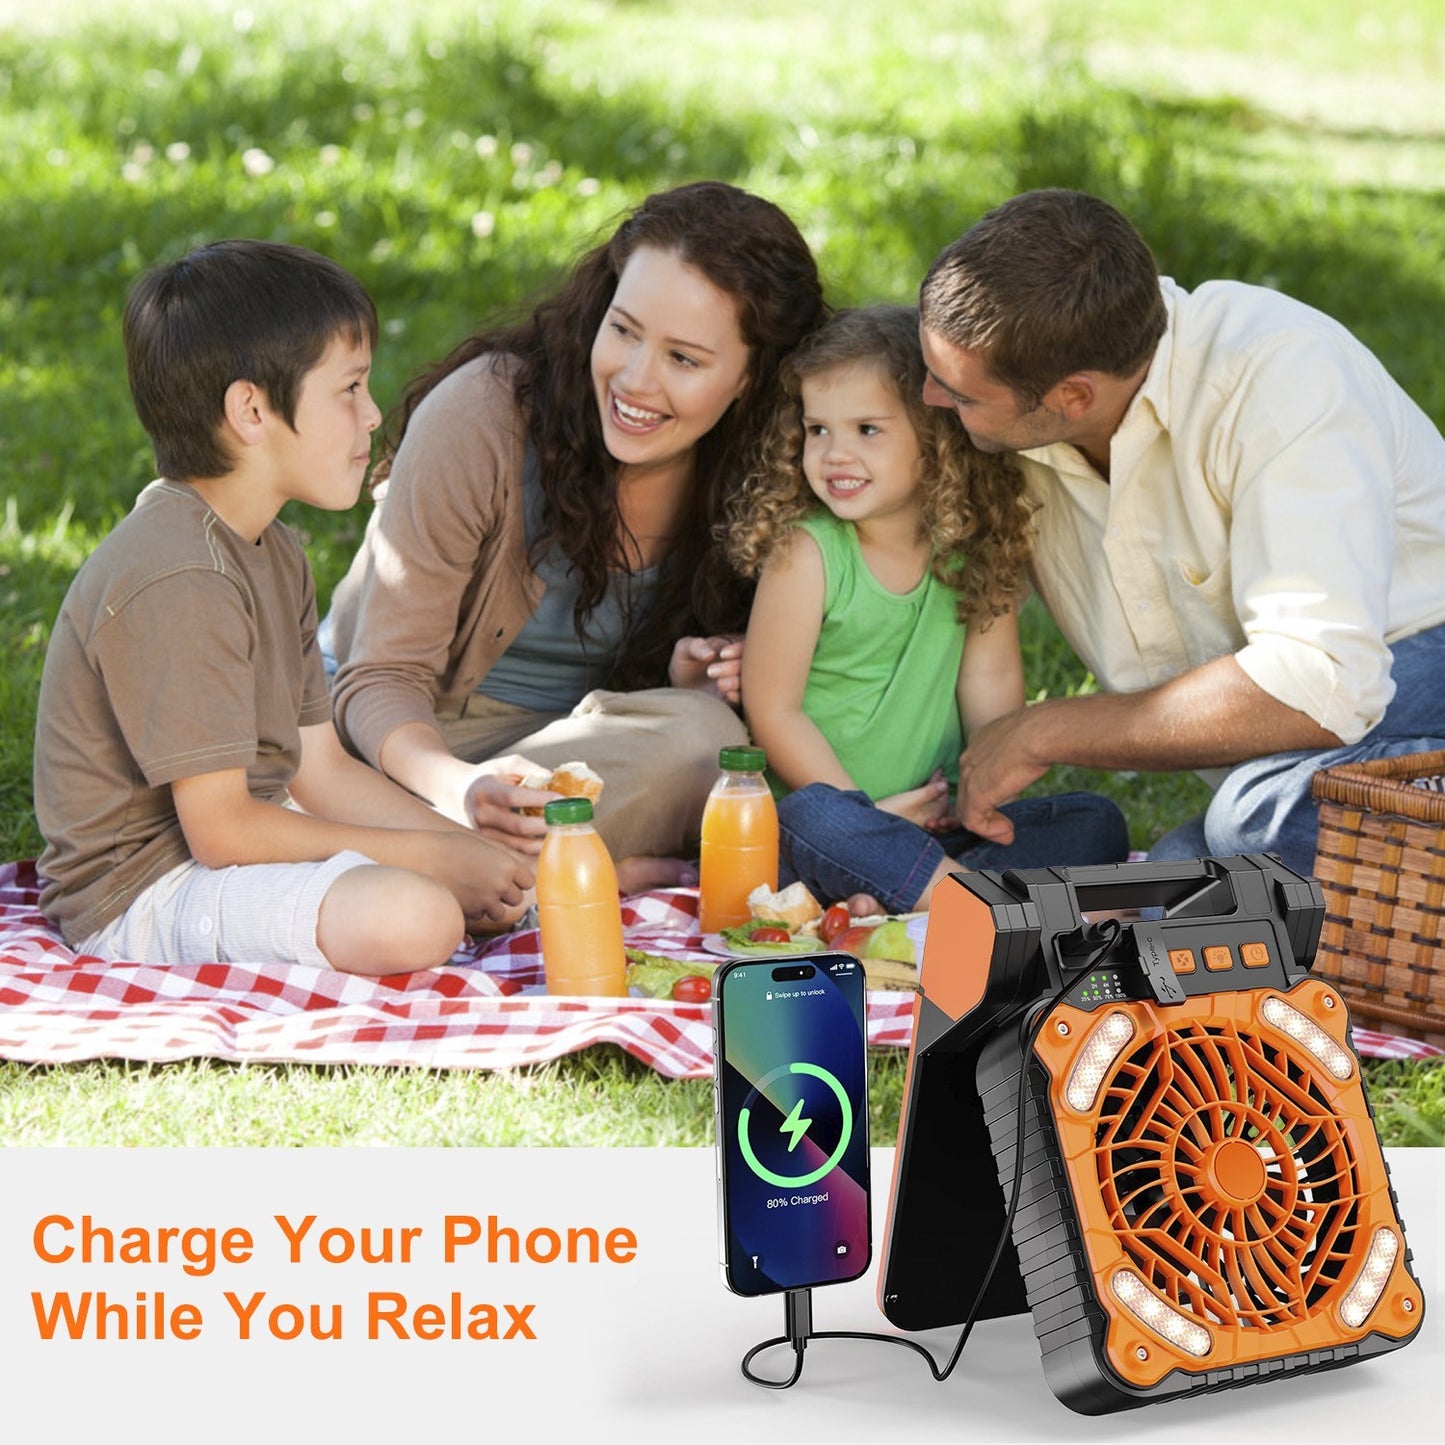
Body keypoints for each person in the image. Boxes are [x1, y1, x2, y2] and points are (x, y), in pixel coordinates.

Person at [33, 240, 534, 976]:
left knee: (474, 882)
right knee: (417, 912)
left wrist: (461, 847)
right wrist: (431, 858)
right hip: (144, 890)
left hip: (243, 843)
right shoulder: (181, 574)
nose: (372, 415)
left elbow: (320, 769)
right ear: (251, 410)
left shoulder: (274, 550)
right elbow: (222, 832)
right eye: (349, 389)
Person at [917, 188, 1445, 877]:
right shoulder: (1024, 404)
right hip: (1299, 752)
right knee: (1181, 877)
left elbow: (1322, 682)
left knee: (1251, 825)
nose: (929, 398)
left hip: (1416, 655)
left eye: (958, 394)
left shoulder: (1282, 375)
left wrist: (1044, 730)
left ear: (1073, 396)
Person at [325, 182, 828, 892]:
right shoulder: (483, 417)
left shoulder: (776, 476)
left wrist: (693, 679)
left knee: (705, 740)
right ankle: (556, 872)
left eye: (683, 359)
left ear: (753, 377)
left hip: (582, 758)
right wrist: (459, 788)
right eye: (623, 330)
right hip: (408, 742)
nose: (634, 379)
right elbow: (378, 678)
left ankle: (473, 871)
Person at [728, 305, 1129, 915]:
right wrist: (868, 815)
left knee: (1093, 821)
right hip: (828, 830)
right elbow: (773, 711)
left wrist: (983, 797)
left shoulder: (974, 550)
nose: (835, 453)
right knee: (812, 817)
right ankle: (975, 906)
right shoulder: (806, 553)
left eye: (867, 429)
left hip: (936, 827)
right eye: (818, 429)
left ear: (936, 440)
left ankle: (919, 893)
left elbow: (991, 684)